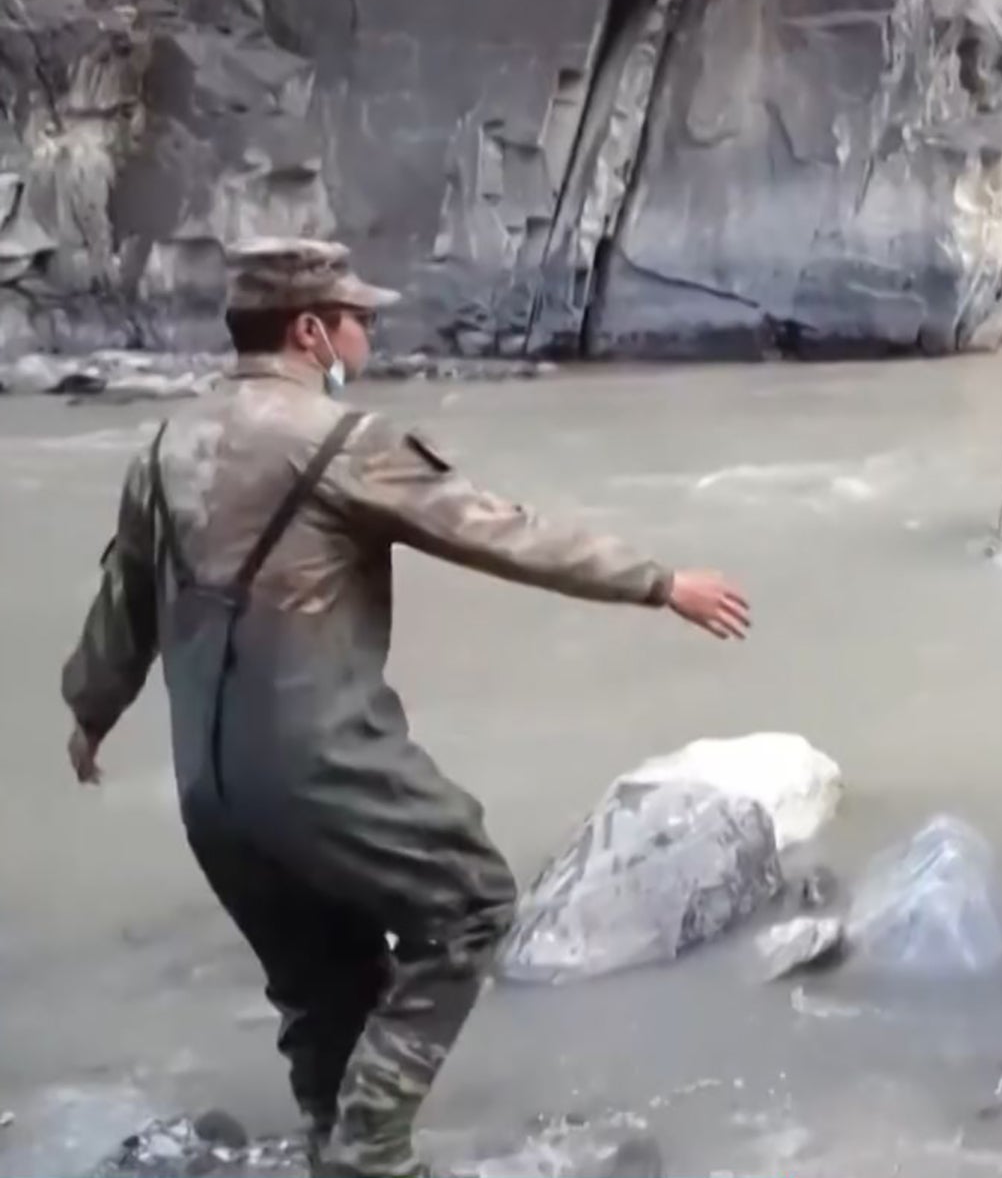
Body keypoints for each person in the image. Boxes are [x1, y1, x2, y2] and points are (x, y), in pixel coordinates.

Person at [59, 239, 753, 1178]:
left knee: (319, 982)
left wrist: (90, 715)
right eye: (359, 319)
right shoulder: (349, 443)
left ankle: (330, 1148)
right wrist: (661, 582)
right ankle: (371, 1153)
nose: (369, 332)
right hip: (321, 768)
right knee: (470, 902)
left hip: (209, 789)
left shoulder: (167, 444)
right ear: (311, 331)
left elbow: (124, 607)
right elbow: (506, 535)